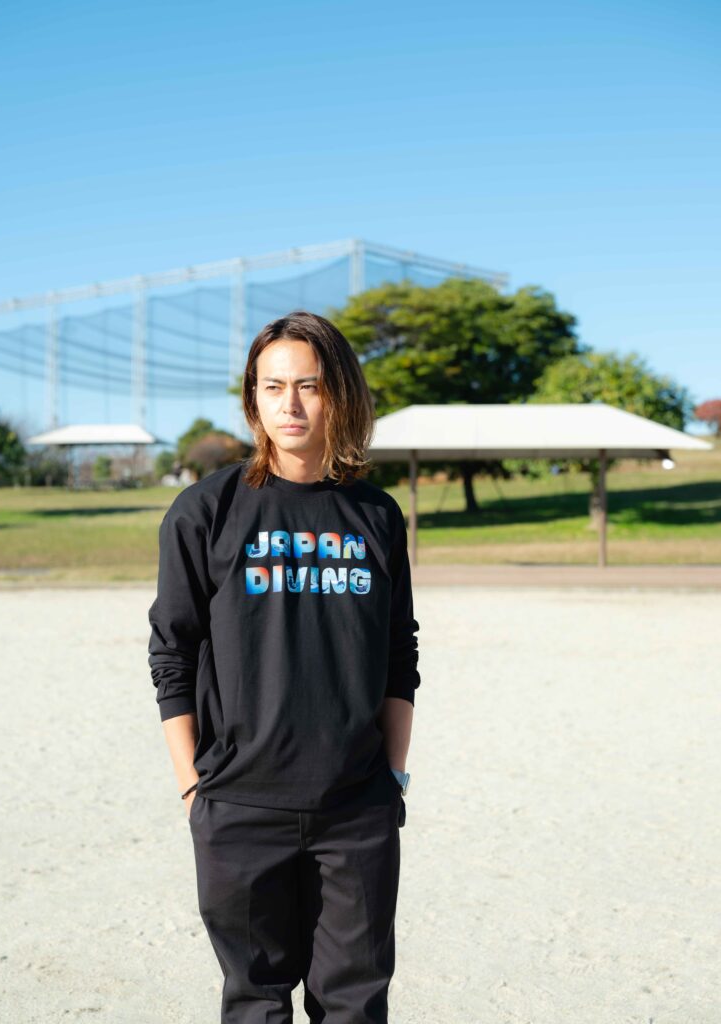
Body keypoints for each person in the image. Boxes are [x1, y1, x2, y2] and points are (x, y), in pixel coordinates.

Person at [147, 310, 420, 1023]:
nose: (290, 405)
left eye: (310, 386)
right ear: (252, 399)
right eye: (273, 387)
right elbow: (171, 651)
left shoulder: (376, 517)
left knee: (355, 1006)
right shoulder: (204, 512)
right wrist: (192, 790)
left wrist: (392, 777)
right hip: (239, 808)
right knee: (256, 1006)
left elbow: (400, 653)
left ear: (341, 397)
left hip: (355, 812)